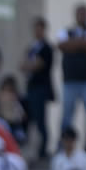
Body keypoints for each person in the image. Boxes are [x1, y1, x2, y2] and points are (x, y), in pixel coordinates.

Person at [57, 3, 86, 156]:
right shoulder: (66, 31)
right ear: (75, 15)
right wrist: (83, 44)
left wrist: (74, 45)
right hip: (70, 82)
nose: (82, 16)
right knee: (66, 116)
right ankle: (62, 148)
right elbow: (62, 46)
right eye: (79, 13)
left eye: (84, 14)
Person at [21, 17, 55, 159]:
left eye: (40, 28)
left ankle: (43, 149)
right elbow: (23, 65)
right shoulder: (32, 47)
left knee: (41, 119)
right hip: (31, 87)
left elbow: (37, 65)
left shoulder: (46, 47)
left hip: (41, 88)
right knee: (31, 118)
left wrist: (29, 65)